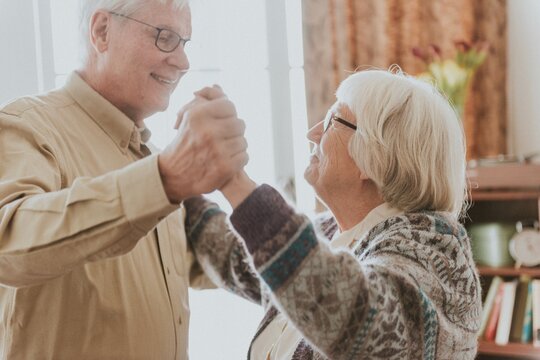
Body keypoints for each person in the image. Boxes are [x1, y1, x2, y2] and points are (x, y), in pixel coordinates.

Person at [0, 0, 252, 359]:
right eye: (165, 38)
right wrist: (164, 180)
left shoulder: (154, 161)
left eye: (185, 43)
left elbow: (228, 265)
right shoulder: (26, 125)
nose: (183, 62)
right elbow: (8, 246)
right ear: (102, 31)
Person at [184, 69, 482, 359]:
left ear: (376, 154)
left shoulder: (436, 254)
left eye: (332, 121)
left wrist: (234, 182)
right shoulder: (331, 233)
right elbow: (238, 258)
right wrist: (170, 170)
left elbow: (359, 322)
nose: (312, 133)